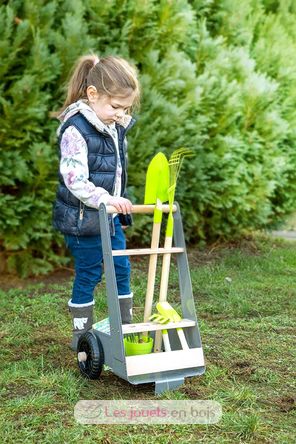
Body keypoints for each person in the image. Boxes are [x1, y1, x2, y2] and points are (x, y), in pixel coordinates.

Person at [52, 54, 140, 351]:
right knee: (89, 272)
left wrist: (113, 204)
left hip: (108, 216)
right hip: (82, 220)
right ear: (93, 94)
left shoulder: (114, 126)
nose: (120, 114)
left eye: (125, 108)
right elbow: (75, 179)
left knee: (122, 267)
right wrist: (108, 199)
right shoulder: (76, 129)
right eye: (116, 106)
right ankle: (83, 337)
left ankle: (127, 328)